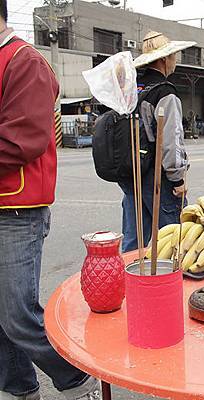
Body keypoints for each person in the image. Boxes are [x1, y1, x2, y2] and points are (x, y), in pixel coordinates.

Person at [0, 3, 101, 399]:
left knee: (18, 315)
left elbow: (21, 141)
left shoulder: (24, 61)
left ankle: (77, 380)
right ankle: (20, 389)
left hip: (16, 208)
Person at [119, 31, 193, 252]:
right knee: (174, 244)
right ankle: (169, 285)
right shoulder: (165, 93)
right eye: (173, 56)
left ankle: (132, 284)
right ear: (163, 59)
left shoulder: (132, 90)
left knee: (134, 243)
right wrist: (178, 180)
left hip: (132, 176)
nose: (175, 61)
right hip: (159, 180)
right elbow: (171, 142)